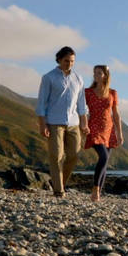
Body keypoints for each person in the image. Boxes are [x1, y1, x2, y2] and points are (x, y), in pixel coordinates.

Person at [35, 46, 89, 198]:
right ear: (59, 59)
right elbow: (41, 103)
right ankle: (59, 191)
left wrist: (84, 123)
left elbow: (82, 104)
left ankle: (59, 183)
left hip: (73, 123)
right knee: (56, 156)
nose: (69, 64)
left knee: (74, 155)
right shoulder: (48, 77)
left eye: (72, 61)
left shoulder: (78, 78)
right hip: (54, 122)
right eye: (66, 61)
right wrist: (42, 125)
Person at [84, 64, 124, 201]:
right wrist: (83, 124)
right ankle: (95, 188)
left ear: (105, 76)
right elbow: (81, 109)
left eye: (99, 73)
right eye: (94, 73)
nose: (95, 75)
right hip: (94, 127)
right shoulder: (87, 92)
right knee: (104, 157)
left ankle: (98, 193)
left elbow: (116, 114)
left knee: (105, 162)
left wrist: (119, 133)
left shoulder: (113, 93)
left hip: (108, 129)